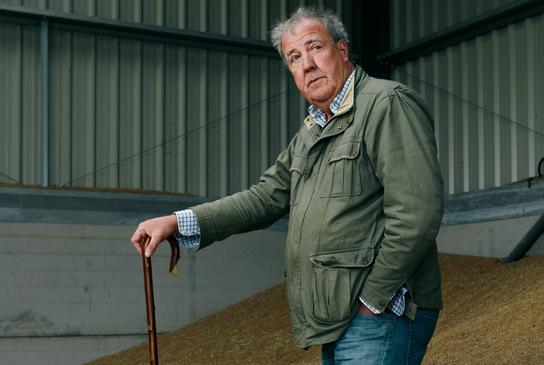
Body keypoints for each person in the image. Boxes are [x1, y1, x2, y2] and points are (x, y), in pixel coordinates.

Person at [130, 6, 444, 364]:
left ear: (341, 51)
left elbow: (417, 214)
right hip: (341, 317)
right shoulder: (312, 133)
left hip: (380, 313)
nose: (307, 64)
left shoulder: (386, 104)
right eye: (294, 57)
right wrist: (177, 221)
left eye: (315, 47)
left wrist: (373, 298)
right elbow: (264, 198)